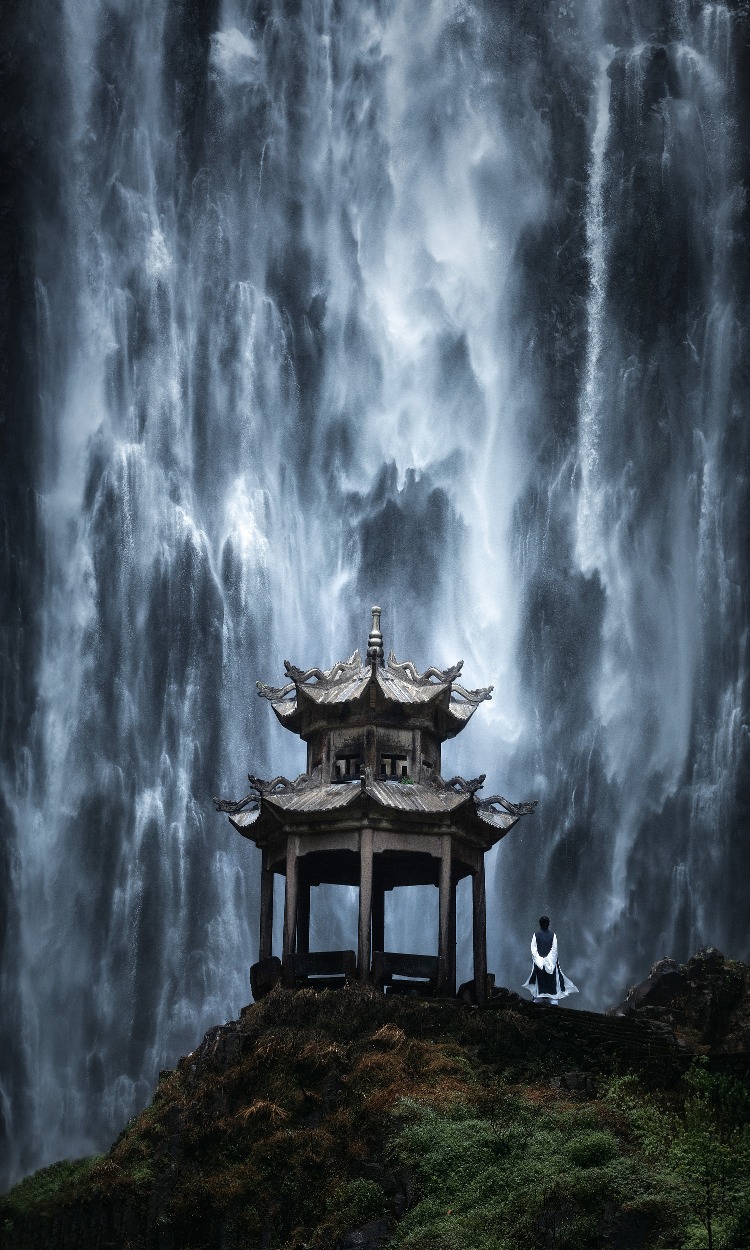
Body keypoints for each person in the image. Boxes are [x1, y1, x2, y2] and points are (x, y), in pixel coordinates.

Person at [522, 916, 578, 1005]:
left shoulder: (535, 935)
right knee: (551, 980)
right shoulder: (553, 935)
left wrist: (540, 960)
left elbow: (534, 949)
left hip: (539, 962)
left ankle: (539, 998)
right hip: (550, 962)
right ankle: (552, 999)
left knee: (539, 979)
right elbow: (554, 950)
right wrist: (549, 960)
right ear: (548, 924)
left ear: (540, 924)